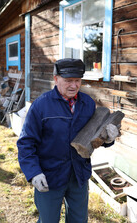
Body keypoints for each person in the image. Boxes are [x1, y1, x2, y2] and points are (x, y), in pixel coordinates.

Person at [17, 58, 119, 223]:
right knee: (48, 220)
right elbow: (26, 143)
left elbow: (92, 139)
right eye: (68, 81)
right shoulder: (41, 106)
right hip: (49, 176)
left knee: (79, 220)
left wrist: (108, 139)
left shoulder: (87, 103)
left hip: (78, 175)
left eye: (77, 80)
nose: (74, 85)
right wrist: (33, 172)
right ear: (56, 79)